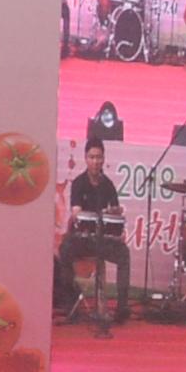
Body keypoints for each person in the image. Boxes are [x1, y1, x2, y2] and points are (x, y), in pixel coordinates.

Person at [60, 137, 130, 325]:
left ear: (103, 159)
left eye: (99, 157)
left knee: (124, 254)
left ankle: (122, 308)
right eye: (92, 157)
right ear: (85, 158)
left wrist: (117, 225)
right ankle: (70, 302)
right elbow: (76, 213)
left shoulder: (108, 185)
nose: (95, 161)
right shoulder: (78, 183)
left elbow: (116, 215)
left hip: (103, 240)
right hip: (82, 239)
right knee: (64, 249)